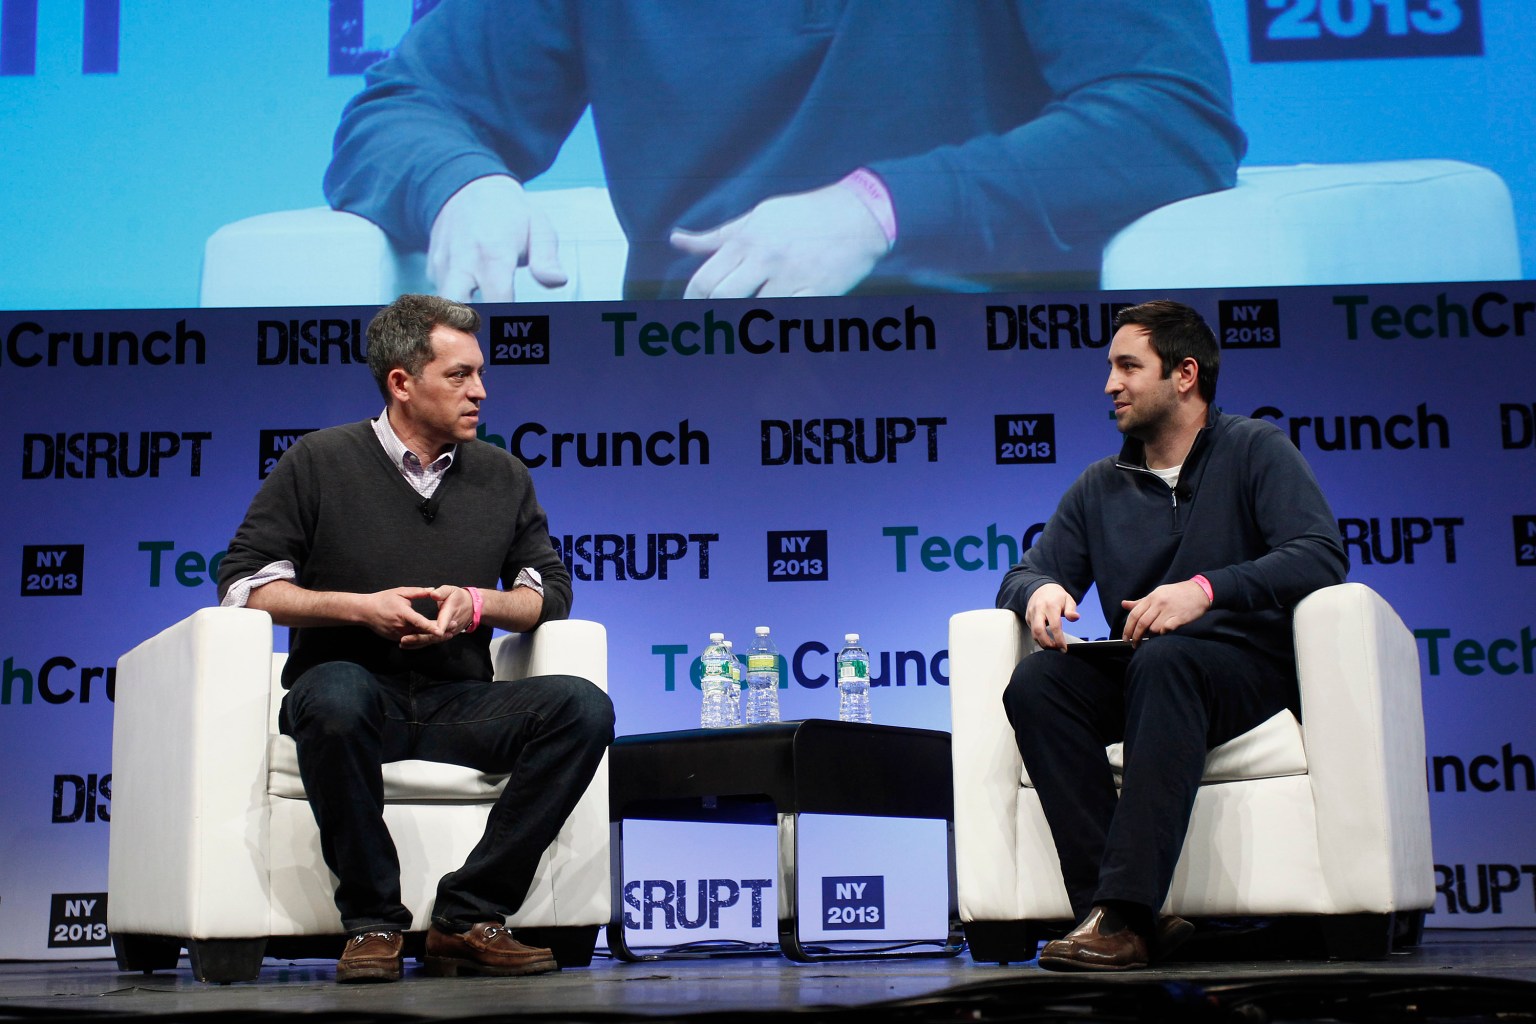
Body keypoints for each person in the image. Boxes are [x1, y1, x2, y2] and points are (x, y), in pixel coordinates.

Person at [323, 1, 1245, 301]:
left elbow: (1169, 117)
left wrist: (880, 209)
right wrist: (461, 182)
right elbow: (401, 110)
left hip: (994, 372)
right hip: (692, 393)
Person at [216, 293, 614, 984]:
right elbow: (245, 586)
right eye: (459, 375)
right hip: (349, 693)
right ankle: (372, 921)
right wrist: (361, 610)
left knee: (583, 707)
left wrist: (479, 604)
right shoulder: (319, 462)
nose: (480, 391)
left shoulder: (501, 474)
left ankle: (469, 914)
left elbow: (548, 590)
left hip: (457, 701)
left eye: (480, 373)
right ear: (402, 382)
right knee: (335, 695)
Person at [994, 299, 1347, 971]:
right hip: (1151, 668)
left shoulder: (1254, 449)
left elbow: (1319, 553)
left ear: (1185, 374)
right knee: (1040, 683)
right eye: (1109, 368)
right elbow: (1029, 568)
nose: (1109, 385)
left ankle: (1123, 915)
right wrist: (1038, 590)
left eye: (1129, 366)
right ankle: (1118, 916)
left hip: (1244, 668)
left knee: (1168, 660)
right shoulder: (1101, 484)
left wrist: (1206, 590)